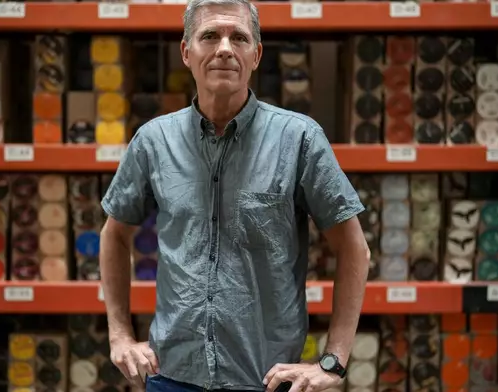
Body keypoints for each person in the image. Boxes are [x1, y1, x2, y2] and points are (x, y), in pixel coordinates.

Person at [99, 0, 370, 390]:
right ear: (186, 52)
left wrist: (333, 362)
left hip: (267, 381)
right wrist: (119, 335)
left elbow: (354, 249)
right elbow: (114, 233)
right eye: (209, 36)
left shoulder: (299, 139)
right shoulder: (154, 142)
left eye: (238, 37)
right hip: (173, 377)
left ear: (255, 55)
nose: (224, 48)